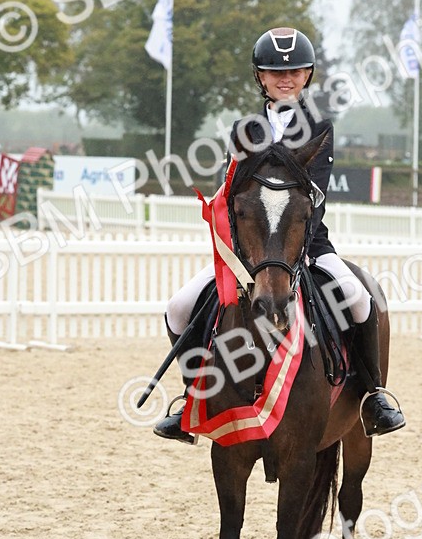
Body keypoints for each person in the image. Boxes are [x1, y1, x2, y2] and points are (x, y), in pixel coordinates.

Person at [154, 26, 406, 444]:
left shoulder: (319, 126)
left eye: (295, 71)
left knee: (360, 298)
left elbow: (315, 195)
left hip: (304, 247)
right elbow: (231, 192)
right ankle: (193, 395)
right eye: (274, 72)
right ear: (260, 77)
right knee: (179, 307)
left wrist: (293, 243)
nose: (284, 78)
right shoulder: (242, 130)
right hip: (248, 252)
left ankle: (372, 396)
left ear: (308, 75)